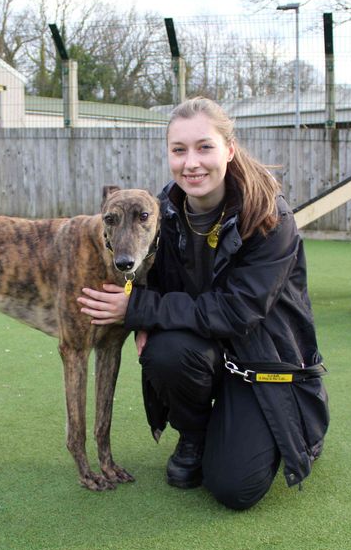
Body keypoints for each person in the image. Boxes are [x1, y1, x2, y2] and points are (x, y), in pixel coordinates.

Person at [77, 97, 329, 511]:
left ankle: (297, 424)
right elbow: (152, 280)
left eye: (204, 147)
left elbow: (237, 311)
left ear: (229, 149)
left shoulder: (269, 217)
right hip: (203, 354)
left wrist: (139, 310)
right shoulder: (161, 213)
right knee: (165, 350)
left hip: (263, 364)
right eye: (179, 150)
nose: (191, 162)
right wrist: (144, 318)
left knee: (234, 489)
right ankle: (194, 436)